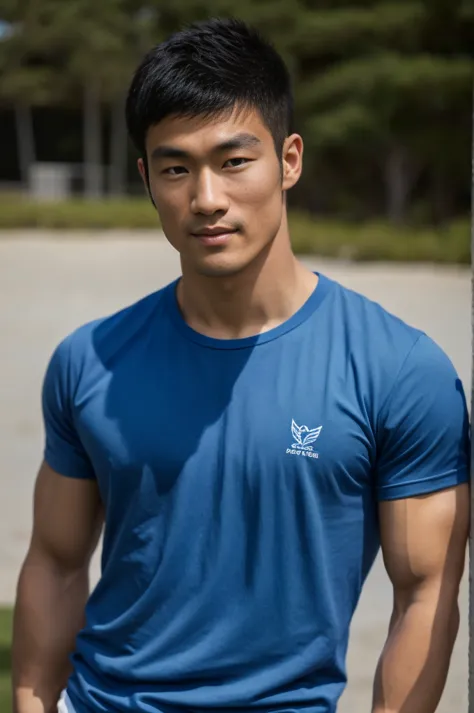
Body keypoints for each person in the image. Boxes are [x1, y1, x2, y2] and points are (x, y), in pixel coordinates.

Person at [12, 17, 469, 713]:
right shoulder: (89, 360)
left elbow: (427, 594)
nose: (206, 199)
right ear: (146, 178)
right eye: (175, 168)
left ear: (288, 160)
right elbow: (55, 557)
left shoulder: (400, 370)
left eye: (233, 161)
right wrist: (32, 699)